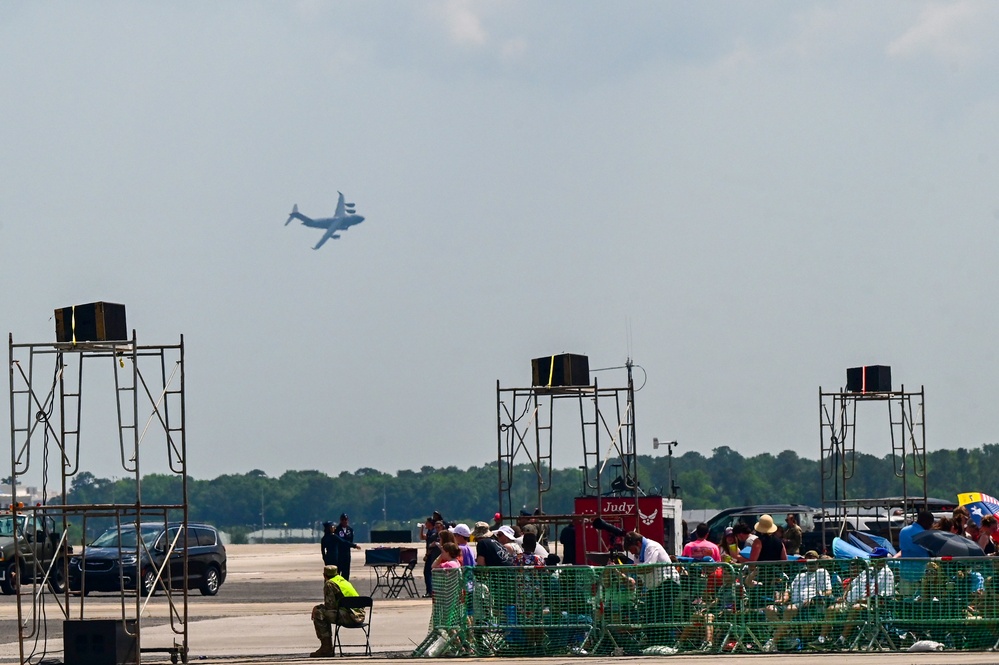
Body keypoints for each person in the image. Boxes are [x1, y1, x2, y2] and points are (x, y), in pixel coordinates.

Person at [310, 564, 365, 658]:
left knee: (319, 613)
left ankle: (326, 648)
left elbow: (330, 606)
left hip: (348, 616)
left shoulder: (330, 584)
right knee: (322, 611)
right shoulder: (343, 581)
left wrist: (317, 607)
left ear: (324, 575)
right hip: (359, 615)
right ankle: (327, 647)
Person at [896, 510, 934, 595]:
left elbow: (902, 549)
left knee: (905, 603)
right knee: (919, 604)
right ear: (927, 522)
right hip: (920, 574)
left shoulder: (903, 531)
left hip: (905, 572)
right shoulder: (925, 534)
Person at [334, 513, 361, 580]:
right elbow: (340, 541)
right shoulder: (337, 530)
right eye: (343, 520)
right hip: (339, 553)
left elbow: (350, 540)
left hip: (347, 553)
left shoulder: (350, 530)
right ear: (340, 520)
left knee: (346, 572)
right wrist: (354, 545)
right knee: (338, 571)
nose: (344, 521)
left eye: (345, 520)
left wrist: (351, 545)